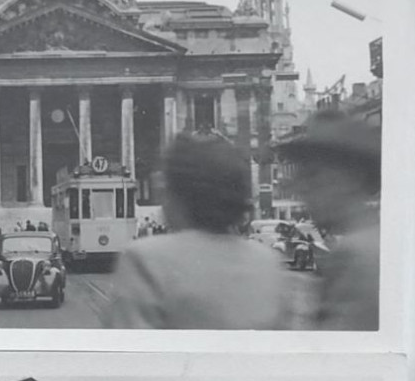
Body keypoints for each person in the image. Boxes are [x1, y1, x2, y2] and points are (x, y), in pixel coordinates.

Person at [104, 132, 292, 329]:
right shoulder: (267, 261)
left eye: (165, 188)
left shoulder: (145, 260)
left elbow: (131, 350)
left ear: (178, 195)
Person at [283, 111, 381, 330]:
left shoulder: (355, 255)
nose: (302, 188)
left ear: (351, 178)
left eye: (313, 175)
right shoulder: (375, 240)